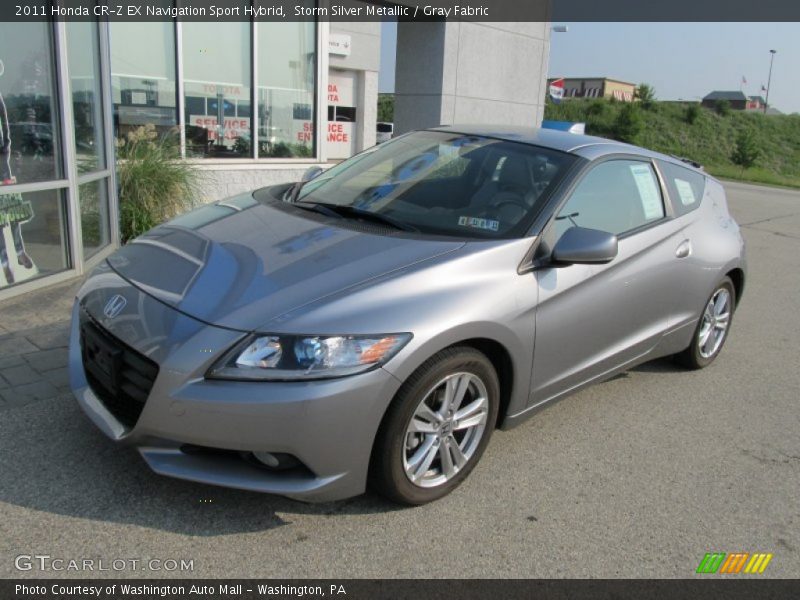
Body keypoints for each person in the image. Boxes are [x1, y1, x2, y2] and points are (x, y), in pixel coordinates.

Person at [0, 58, 35, 285]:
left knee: (11, 210)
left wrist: (6, 149)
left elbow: (5, 126)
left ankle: (20, 251)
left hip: (2, 162)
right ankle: (5, 262)